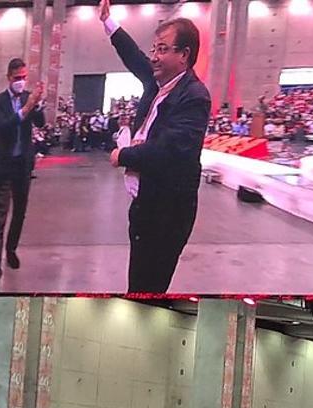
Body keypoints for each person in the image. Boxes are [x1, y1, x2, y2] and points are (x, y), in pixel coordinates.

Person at [100, 0, 211, 293]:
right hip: (145, 204)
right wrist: (109, 23)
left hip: (167, 212)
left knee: (148, 287)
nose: (154, 57)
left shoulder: (195, 96)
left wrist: (122, 155)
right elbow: (133, 56)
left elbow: (169, 151)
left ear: (184, 55)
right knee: (137, 282)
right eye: (155, 49)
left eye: (163, 49)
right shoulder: (157, 82)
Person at [0, 58, 47, 294]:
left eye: (24, 78)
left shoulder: (29, 97)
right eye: (17, 78)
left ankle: (11, 248)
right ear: (9, 77)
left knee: (20, 212)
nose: (21, 82)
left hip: (23, 165)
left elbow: (40, 122)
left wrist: (37, 105)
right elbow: (4, 126)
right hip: (2, 166)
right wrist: (26, 108)